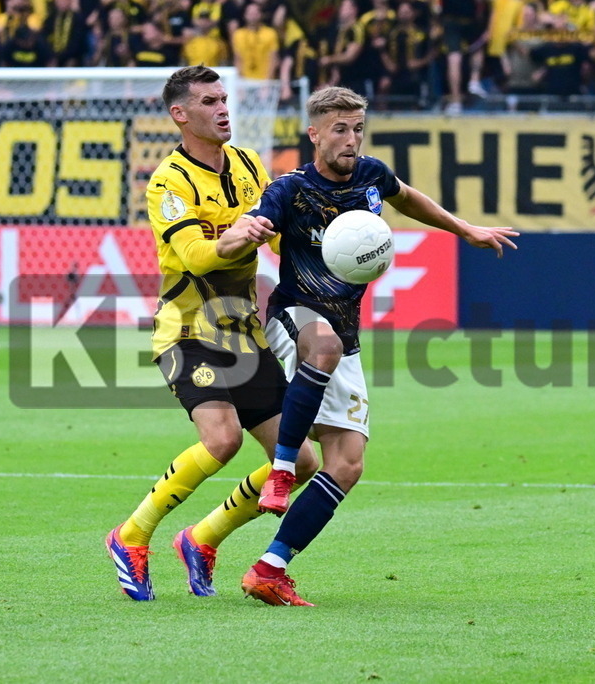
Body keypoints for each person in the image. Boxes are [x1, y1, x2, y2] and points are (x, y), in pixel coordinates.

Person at [216, 86, 519, 606]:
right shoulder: (290, 190)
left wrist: (463, 228)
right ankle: (283, 470)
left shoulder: (372, 175)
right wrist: (241, 234)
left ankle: (270, 567)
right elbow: (232, 239)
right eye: (340, 129)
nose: (351, 139)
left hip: (344, 332)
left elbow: (407, 197)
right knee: (325, 347)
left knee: (348, 463)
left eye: (358, 128)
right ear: (314, 133)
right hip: (294, 316)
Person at [105, 65, 318, 602]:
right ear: (180, 114)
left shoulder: (248, 165)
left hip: (244, 336)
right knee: (221, 439)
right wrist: (238, 236)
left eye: (224, 99)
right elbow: (197, 256)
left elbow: (280, 233)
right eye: (209, 101)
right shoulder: (168, 182)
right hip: (186, 333)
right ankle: (130, 536)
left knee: (300, 462)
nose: (223, 109)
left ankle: (202, 538)